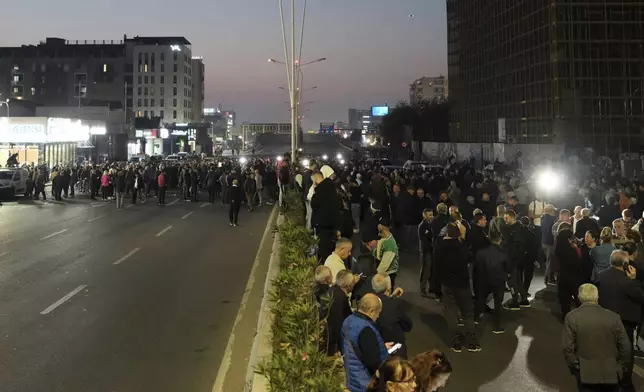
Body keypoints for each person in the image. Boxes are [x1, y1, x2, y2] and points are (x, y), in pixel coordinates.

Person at [562, 284, 631, 392]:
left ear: (579, 298)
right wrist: (621, 368)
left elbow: (567, 347)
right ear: (597, 297)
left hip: (586, 373)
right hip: (611, 372)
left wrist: (576, 367)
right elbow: (625, 347)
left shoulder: (572, 317)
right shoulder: (614, 317)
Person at [597, 250, 644, 392]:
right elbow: (641, 296)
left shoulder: (601, 276)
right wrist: (634, 279)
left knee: (607, 352)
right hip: (625, 323)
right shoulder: (627, 281)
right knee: (626, 355)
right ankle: (625, 383)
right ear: (625, 264)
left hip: (605, 321)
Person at [436, 224, 480, 353]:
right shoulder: (462, 247)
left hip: (447, 284)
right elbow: (470, 258)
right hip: (462, 284)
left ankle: (456, 342)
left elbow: (437, 266)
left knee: (452, 313)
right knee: (468, 313)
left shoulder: (440, 247)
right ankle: (472, 342)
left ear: (447, 234)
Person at [341, 293, 391, 392]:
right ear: (371, 311)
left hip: (353, 377)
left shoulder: (348, 320)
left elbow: (356, 345)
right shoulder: (366, 329)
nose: (378, 316)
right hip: (365, 383)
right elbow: (373, 362)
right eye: (378, 312)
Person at [475, 231, 510, 333]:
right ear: (500, 240)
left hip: (483, 279)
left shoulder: (480, 252)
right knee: (498, 304)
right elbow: (508, 267)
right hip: (498, 281)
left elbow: (477, 267)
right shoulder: (503, 253)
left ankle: (476, 317)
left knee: (481, 299)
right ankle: (497, 326)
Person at [372, 273, 413, 358]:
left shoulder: (367, 303)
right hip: (394, 350)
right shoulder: (395, 306)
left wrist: (391, 297)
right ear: (389, 289)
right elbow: (408, 325)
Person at [320, 269, 355, 356]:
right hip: (333, 343)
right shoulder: (339, 299)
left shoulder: (333, 290)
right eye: (353, 282)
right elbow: (338, 324)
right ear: (349, 285)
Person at [555, 229, 583, 317]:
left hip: (562, 276)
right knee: (578, 297)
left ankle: (565, 316)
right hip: (572, 276)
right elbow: (577, 263)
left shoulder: (558, 249)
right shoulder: (571, 250)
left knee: (564, 299)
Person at [369, 219, 400, 288]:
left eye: (379, 225)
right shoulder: (383, 238)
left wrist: (376, 277)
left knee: (386, 293)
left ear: (383, 227)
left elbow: (384, 265)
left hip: (388, 273)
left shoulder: (390, 245)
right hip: (382, 270)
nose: (377, 226)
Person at [418, 208, 434, 297]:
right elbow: (423, 240)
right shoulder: (422, 226)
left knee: (431, 270)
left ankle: (431, 287)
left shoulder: (431, 223)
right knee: (425, 271)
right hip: (425, 251)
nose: (432, 216)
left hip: (431, 250)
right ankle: (422, 289)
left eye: (432, 214)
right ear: (425, 215)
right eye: (429, 215)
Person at [541, 204, 558, 285]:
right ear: (550, 211)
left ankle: (548, 277)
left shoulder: (542, 218)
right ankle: (548, 278)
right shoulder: (551, 219)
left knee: (548, 260)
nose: (554, 212)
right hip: (550, 242)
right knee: (550, 261)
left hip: (543, 241)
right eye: (553, 210)